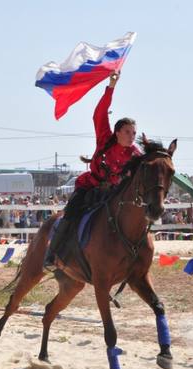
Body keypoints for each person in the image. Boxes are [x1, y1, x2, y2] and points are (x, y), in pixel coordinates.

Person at [44, 71, 141, 266]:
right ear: (118, 131)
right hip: (89, 187)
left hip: (113, 193)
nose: (132, 136)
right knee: (70, 214)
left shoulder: (135, 153)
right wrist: (111, 86)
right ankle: (52, 254)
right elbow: (100, 112)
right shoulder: (105, 138)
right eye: (128, 132)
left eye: (134, 133)